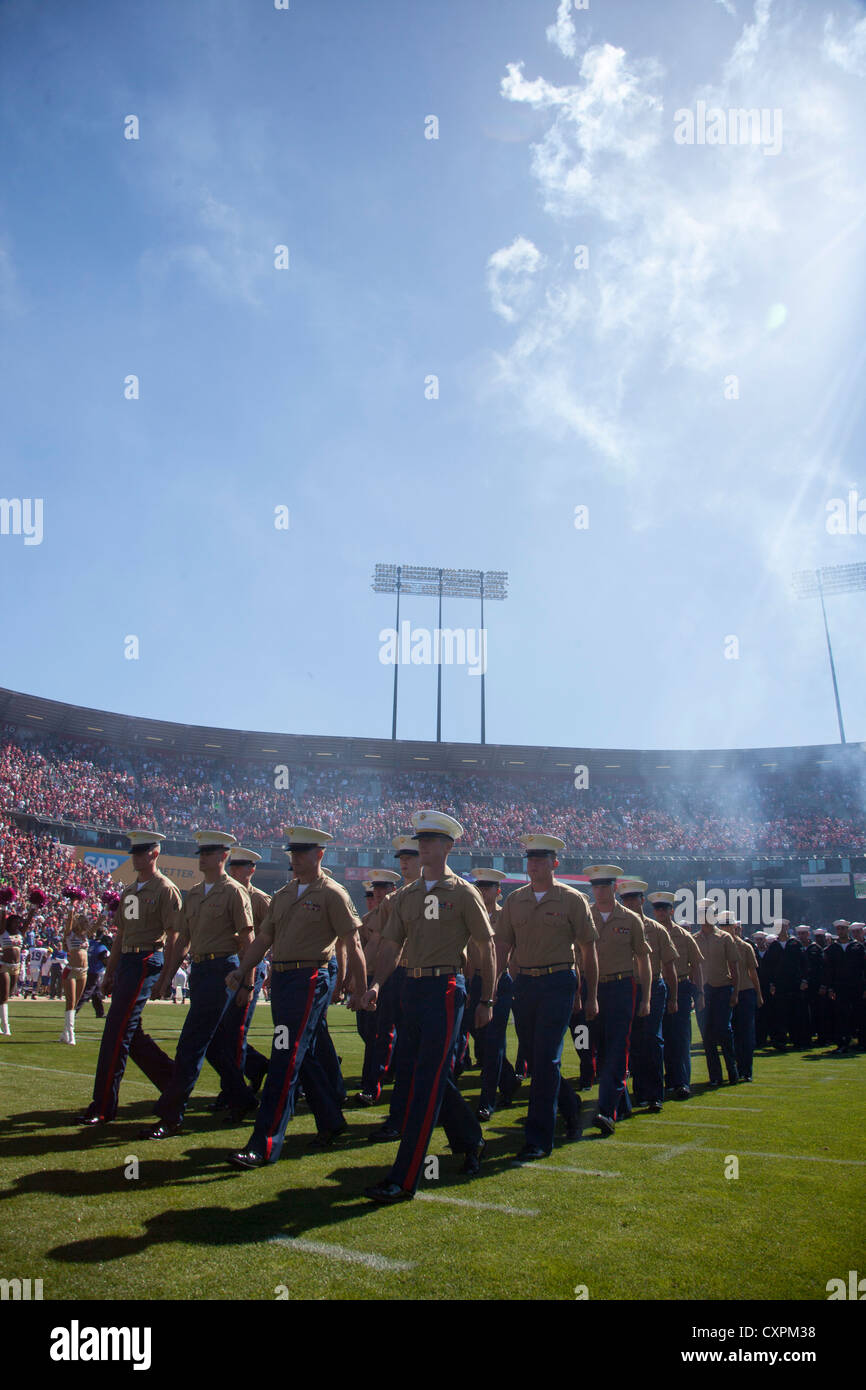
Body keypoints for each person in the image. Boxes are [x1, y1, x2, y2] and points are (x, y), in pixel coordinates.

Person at [362, 810, 495, 1202]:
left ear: (448, 847)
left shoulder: (464, 893)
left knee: (427, 1083)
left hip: (446, 989)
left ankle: (404, 1178)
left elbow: (486, 946)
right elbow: (390, 945)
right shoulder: (408, 895)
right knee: (425, 1075)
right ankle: (471, 1140)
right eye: (421, 840)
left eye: (432, 841)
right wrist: (375, 984)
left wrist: (487, 998)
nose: (423, 846)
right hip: (411, 989)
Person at [227, 827, 367, 1168]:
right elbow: (263, 939)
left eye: (303, 852)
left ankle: (264, 1143)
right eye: (293, 852)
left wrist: (360, 989)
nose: (296, 858)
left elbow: (353, 942)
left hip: (310, 979)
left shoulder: (333, 893)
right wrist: (243, 969)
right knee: (301, 1056)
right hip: (285, 982)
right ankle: (332, 1119)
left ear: (319, 854)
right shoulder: (285, 894)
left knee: (284, 1057)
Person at [141, 830, 258, 1139]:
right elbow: (181, 940)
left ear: (223, 856)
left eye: (208, 853)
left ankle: (171, 1115)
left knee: (191, 1044)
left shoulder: (234, 892)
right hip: (200, 970)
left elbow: (248, 941)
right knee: (216, 1046)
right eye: (201, 853)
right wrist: (166, 976)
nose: (202, 858)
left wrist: (248, 983)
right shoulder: (193, 894)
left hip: (223, 970)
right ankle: (243, 1098)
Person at [499, 837, 598, 1158]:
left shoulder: (572, 899)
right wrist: (494, 984)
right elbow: (502, 947)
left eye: (541, 860)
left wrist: (591, 995)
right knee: (535, 1056)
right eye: (530, 860)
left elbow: (588, 950)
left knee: (546, 1058)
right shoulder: (515, 900)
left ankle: (538, 1138)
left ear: (555, 863)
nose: (534, 866)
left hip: (558, 982)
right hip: (525, 984)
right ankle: (571, 1106)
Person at [76, 830, 182, 1127]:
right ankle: (176, 1084)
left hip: (148, 958)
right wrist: (110, 973)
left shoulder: (165, 889)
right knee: (129, 1033)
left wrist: (167, 977)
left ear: (155, 853)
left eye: (141, 852)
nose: (136, 857)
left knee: (116, 1031)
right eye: (134, 852)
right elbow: (121, 934)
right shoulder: (130, 891)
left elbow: (173, 935)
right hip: (128, 961)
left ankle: (103, 1105)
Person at [584, 864, 650, 1136]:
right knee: (596, 1047)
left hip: (622, 987)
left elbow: (643, 959)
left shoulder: (630, 919)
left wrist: (645, 997)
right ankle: (621, 1103)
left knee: (617, 1048)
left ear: (614, 888)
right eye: (595, 886)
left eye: (604, 886)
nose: (599, 891)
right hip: (592, 988)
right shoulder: (584, 915)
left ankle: (606, 1111)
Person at [366, 834, 423, 1145]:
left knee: (427, 1058)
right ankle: (400, 1117)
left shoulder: (447, 893)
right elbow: (381, 943)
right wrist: (370, 981)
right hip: (401, 978)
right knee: (406, 1054)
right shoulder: (392, 901)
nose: (404, 862)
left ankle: (460, 1127)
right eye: (402, 857)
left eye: (411, 856)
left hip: (435, 980)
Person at [208, 847, 272, 1110]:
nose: (236, 871)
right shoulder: (223, 894)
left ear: (252, 870)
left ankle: (232, 1093)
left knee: (234, 1032)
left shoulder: (260, 900)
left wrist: (250, 980)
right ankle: (256, 1066)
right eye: (233, 866)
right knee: (220, 1034)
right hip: (227, 969)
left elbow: (268, 937)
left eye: (242, 867)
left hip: (249, 970)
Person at [618, 878, 677, 1113]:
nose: (630, 902)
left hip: (653, 988)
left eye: (634, 898)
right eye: (626, 899)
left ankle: (654, 1094)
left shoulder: (657, 929)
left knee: (652, 1040)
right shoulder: (617, 925)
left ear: (642, 900)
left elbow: (669, 966)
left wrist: (673, 997)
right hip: (627, 987)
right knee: (634, 1043)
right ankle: (640, 1092)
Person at [470, 869, 519, 1121]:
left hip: (499, 982)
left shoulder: (505, 916)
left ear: (498, 891)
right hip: (473, 980)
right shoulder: (470, 912)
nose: (483, 891)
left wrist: (494, 985)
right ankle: (509, 1081)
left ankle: (487, 1100)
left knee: (493, 1042)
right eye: (480, 887)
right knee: (480, 1038)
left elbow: (506, 952)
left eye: (488, 887)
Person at [648, 891, 702, 1099]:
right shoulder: (647, 930)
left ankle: (681, 1082)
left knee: (679, 1038)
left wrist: (699, 993)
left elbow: (696, 964)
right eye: (657, 908)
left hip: (679, 986)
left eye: (665, 908)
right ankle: (659, 1082)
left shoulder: (683, 935)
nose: (661, 912)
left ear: (672, 910)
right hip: (655, 987)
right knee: (656, 1038)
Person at [355, 869, 402, 1105]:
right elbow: (369, 947)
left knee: (384, 1032)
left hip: (397, 976)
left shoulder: (402, 907)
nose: (379, 893)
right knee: (370, 1031)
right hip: (375, 976)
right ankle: (374, 1078)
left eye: (384, 889)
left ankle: (375, 1081)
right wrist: (359, 979)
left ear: (393, 890)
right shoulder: (370, 919)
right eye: (377, 890)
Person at [695, 898, 740, 1087]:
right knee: (707, 1034)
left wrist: (735, 992)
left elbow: (734, 967)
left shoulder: (725, 938)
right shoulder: (694, 939)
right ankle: (715, 1075)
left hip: (722, 988)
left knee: (723, 1030)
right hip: (703, 991)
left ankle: (733, 1071)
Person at [718, 912, 762, 1082]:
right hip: (725, 992)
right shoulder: (718, 944)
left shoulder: (745, 947)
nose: (726, 928)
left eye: (729, 925)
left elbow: (753, 973)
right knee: (729, 1034)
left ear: (735, 927)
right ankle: (734, 1069)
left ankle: (746, 1070)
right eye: (723, 925)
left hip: (745, 992)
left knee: (746, 1034)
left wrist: (758, 994)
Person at [823, 919, 866, 1056]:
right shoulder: (832, 949)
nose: (841, 931)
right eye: (839, 929)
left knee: (860, 1015)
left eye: (843, 929)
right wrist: (830, 988)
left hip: (857, 986)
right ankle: (842, 1043)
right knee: (842, 1016)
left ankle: (862, 1042)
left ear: (847, 930)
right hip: (840, 987)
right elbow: (829, 971)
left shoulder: (858, 947)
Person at [60, 895, 90, 1044]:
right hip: (71, 970)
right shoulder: (70, 934)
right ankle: (71, 1033)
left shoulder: (86, 937)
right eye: (84, 921)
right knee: (71, 1001)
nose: (86, 924)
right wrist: (72, 904)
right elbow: (69, 920)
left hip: (84, 971)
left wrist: (107, 910)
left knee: (75, 1002)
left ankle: (65, 1033)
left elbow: (98, 923)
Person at [0, 906, 23, 1036]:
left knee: (7, 995)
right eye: (15, 921)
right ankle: (5, 1026)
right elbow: (2, 920)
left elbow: (28, 920)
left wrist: (34, 906)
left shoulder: (20, 933)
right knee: (4, 996)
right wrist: (3, 906)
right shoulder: (3, 932)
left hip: (16, 966)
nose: (18, 923)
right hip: (4, 965)